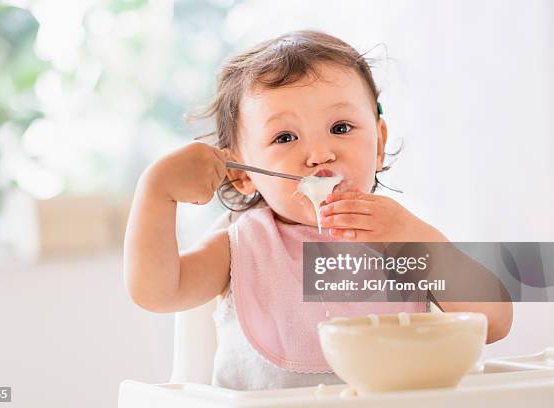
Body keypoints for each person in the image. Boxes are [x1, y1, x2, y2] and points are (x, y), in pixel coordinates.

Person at [123, 30, 513, 390]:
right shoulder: (242, 248)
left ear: (378, 144)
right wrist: (156, 192)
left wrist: (416, 241)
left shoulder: (402, 237)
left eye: (341, 128)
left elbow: (493, 322)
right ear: (243, 176)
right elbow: (157, 291)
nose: (319, 155)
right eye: (285, 137)